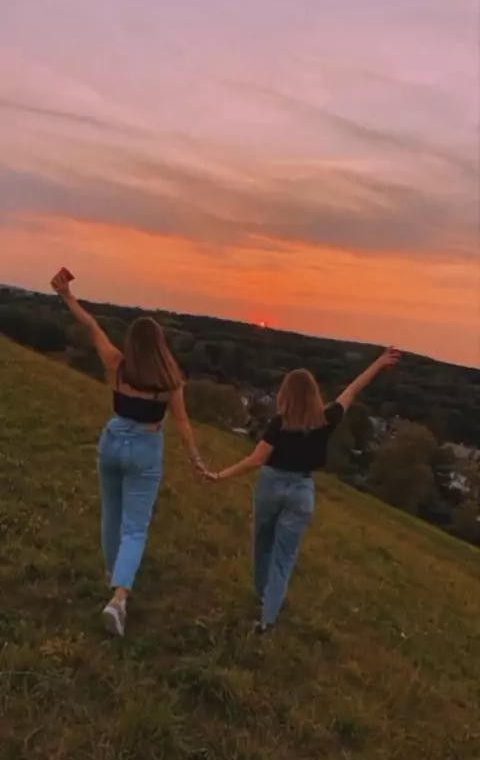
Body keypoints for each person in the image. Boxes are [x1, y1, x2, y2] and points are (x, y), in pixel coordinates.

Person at [51, 268, 205, 637]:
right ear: (160, 345)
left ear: (132, 342)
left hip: (112, 439)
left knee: (111, 514)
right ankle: (119, 597)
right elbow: (182, 422)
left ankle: (112, 573)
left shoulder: (116, 365)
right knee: (135, 526)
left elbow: (92, 326)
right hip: (146, 448)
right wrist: (196, 458)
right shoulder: (170, 380)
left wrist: (66, 296)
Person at [204, 347, 400, 633]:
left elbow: (256, 460)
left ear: (287, 393)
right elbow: (352, 390)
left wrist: (220, 475)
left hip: (271, 485)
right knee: (283, 558)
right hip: (301, 491)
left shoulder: (280, 424)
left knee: (262, 543)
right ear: (313, 393)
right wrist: (379, 363)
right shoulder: (327, 418)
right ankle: (267, 619)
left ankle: (261, 595)